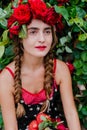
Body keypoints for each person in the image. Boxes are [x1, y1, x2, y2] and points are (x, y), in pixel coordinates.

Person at [0, 0, 81, 130]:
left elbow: (71, 114)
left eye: (47, 31)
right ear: (20, 37)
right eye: (33, 32)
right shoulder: (6, 79)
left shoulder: (59, 69)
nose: (42, 39)